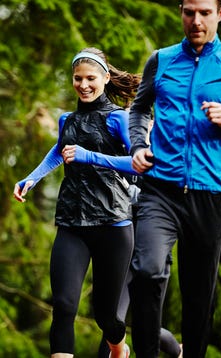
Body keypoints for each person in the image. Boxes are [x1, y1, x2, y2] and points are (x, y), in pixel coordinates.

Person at [127, 0, 221, 356]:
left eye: (204, 13)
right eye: (189, 12)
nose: (196, 21)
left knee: (198, 294)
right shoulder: (160, 60)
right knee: (147, 271)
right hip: (159, 188)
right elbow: (138, 108)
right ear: (181, 12)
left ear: (220, 14)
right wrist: (137, 145)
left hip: (210, 192)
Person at [13, 47, 141, 358]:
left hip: (113, 224)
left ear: (106, 78)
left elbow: (138, 163)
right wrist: (31, 178)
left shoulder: (119, 119)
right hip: (71, 222)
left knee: (107, 317)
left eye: (90, 78)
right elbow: (59, 150)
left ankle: (118, 348)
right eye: (77, 78)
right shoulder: (66, 119)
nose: (83, 85)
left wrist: (89, 156)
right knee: (64, 305)